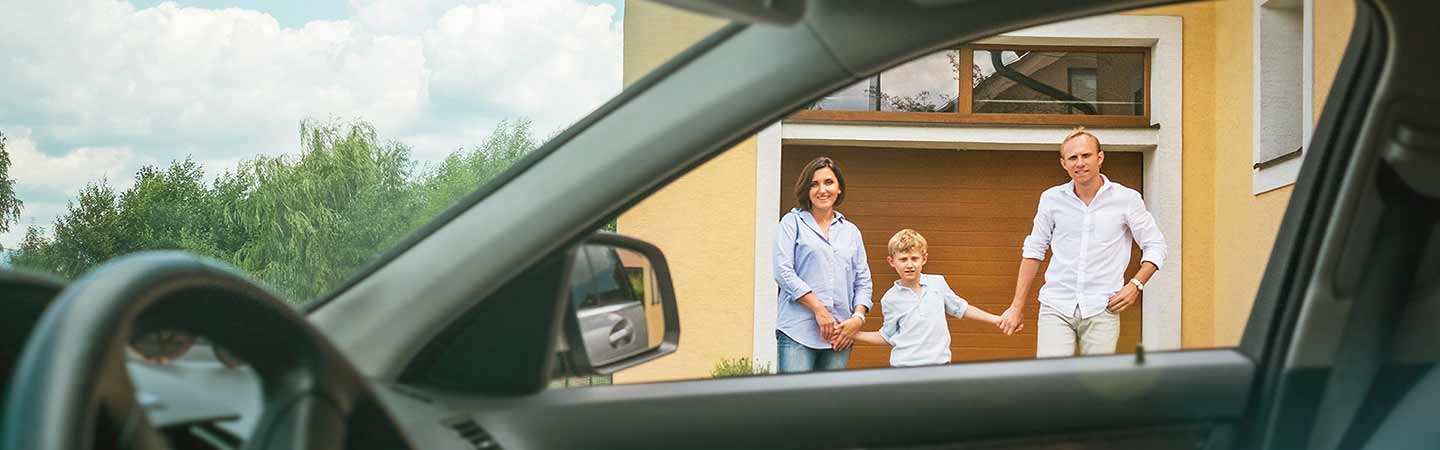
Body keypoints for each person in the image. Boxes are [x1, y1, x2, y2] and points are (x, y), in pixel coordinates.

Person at [997, 129, 1168, 358]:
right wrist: (1016, 307)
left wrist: (1135, 285)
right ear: (1063, 164)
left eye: (1086, 156)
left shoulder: (1126, 199)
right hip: (1056, 305)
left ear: (1100, 157)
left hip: (1102, 307)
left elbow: (1156, 245)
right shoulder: (1051, 199)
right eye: (1072, 158)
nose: (1080, 163)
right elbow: (1034, 250)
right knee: (1050, 380)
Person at [772, 156, 873, 373]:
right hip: (797, 331)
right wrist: (819, 309)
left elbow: (863, 281)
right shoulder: (792, 223)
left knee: (830, 405)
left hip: (840, 335)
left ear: (839, 188)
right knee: (795, 402)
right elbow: (783, 271)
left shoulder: (851, 232)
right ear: (806, 190)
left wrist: (858, 318)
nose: (822, 189)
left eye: (828, 182)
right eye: (814, 184)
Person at [855, 229, 1009, 367]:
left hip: (939, 366)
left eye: (914, 258)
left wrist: (996, 319)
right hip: (903, 369)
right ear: (891, 261)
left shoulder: (938, 283)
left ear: (924, 259)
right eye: (903, 259)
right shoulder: (889, 299)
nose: (909, 264)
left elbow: (962, 308)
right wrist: (855, 334)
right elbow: (887, 336)